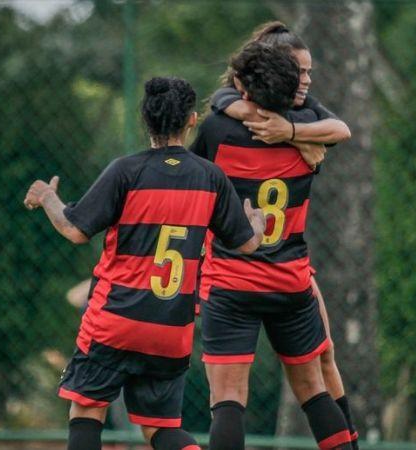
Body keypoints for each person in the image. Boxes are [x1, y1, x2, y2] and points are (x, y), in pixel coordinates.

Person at [24, 76, 266, 450]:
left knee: (87, 410)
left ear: (146, 119)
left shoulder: (126, 171)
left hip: (115, 319)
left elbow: (74, 230)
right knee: (160, 428)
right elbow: (247, 243)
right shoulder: (210, 177)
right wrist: (258, 225)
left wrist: (47, 198)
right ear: (192, 120)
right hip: (170, 328)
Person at [190, 42, 353, 450]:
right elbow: (336, 130)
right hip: (290, 280)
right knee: (314, 391)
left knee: (227, 401)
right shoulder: (309, 132)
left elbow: (197, 181)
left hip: (230, 281)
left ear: (244, 88)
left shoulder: (216, 129)